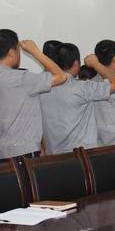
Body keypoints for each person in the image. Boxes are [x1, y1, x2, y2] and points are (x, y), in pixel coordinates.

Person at [40, 43, 115, 155]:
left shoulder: (43, 88)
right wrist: (96, 64)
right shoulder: (82, 87)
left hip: (54, 156)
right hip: (83, 157)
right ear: (76, 64)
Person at [0, 30, 67, 160]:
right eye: (18, 50)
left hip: (4, 152)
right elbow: (61, 76)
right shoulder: (21, 79)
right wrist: (35, 51)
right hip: (22, 153)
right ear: (11, 52)